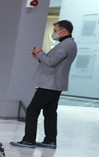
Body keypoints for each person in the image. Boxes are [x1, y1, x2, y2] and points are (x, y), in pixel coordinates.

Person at [11, 20, 77, 149]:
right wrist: (40, 58)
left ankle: (29, 140)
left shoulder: (65, 45)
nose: (53, 33)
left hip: (49, 84)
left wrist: (40, 52)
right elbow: (55, 63)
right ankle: (50, 140)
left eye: (55, 30)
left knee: (32, 110)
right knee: (50, 112)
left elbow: (51, 61)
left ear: (63, 31)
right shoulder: (70, 44)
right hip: (57, 84)